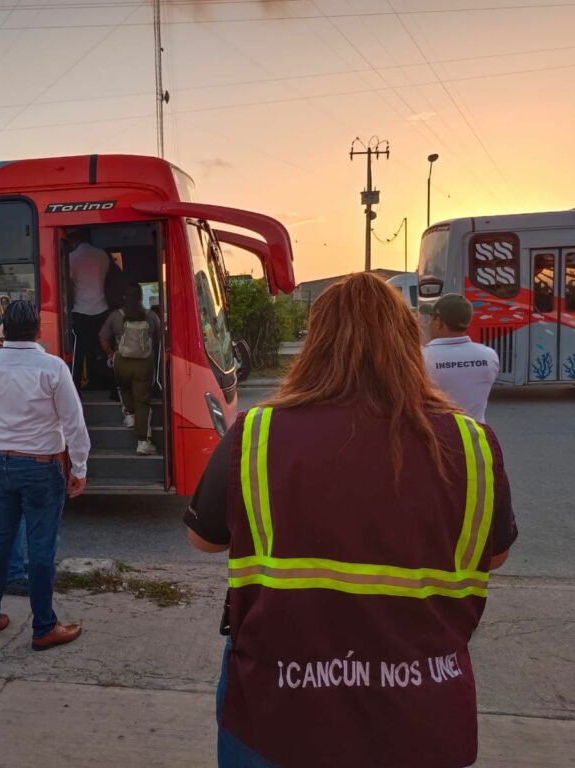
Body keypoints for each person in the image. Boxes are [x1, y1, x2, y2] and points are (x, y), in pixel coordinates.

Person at [185, 273, 518, 768]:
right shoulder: (471, 443)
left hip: (279, 704)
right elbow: (493, 555)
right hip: (421, 708)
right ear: (410, 342)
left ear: (314, 343)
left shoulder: (257, 431)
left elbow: (203, 538)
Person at [0, 300, 91, 651]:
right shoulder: (52, 368)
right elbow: (74, 423)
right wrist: (79, 468)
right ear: (38, 330)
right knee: (40, 548)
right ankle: (44, 626)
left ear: (3, 330)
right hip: (41, 466)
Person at [99, 284, 160, 455]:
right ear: (141, 297)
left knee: (123, 387)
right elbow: (158, 341)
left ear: (124, 297)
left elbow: (103, 338)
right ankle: (143, 442)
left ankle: (129, 415)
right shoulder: (151, 316)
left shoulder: (115, 316)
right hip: (144, 364)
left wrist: (111, 353)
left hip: (122, 362)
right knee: (143, 402)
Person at [423, 293, 499, 422]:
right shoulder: (489, 355)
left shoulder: (421, 357)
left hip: (438, 438)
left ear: (438, 322)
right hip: (475, 437)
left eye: (431, 318)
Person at [66, 227, 111, 390]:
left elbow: (70, 285)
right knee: (104, 348)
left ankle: (75, 387)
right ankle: (109, 385)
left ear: (74, 239)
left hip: (81, 311)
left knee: (80, 352)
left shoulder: (72, 257)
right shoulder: (102, 255)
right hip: (102, 309)